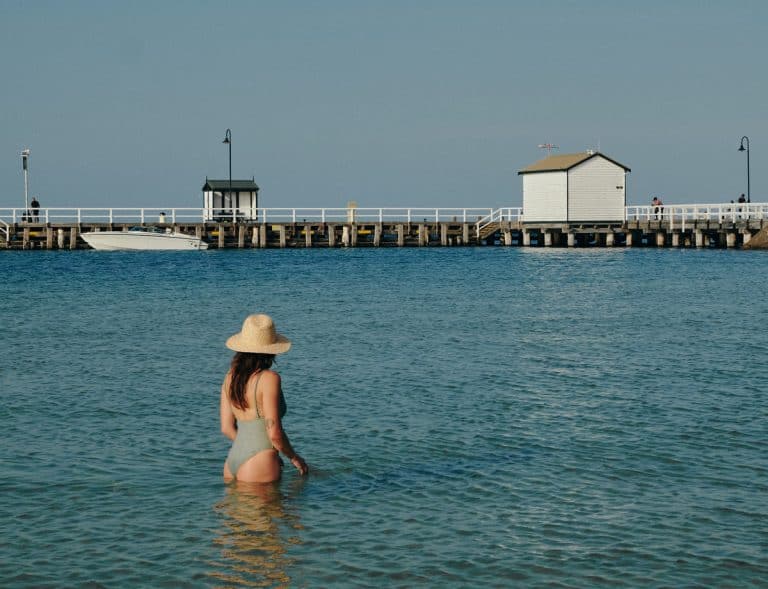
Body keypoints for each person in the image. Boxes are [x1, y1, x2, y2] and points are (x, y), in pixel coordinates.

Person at [220, 314, 308, 483]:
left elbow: (226, 428)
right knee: (276, 510)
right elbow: (274, 433)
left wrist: (250, 447)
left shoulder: (230, 378)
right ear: (271, 350)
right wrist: (294, 458)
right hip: (259, 463)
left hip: (232, 461)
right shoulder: (269, 378)